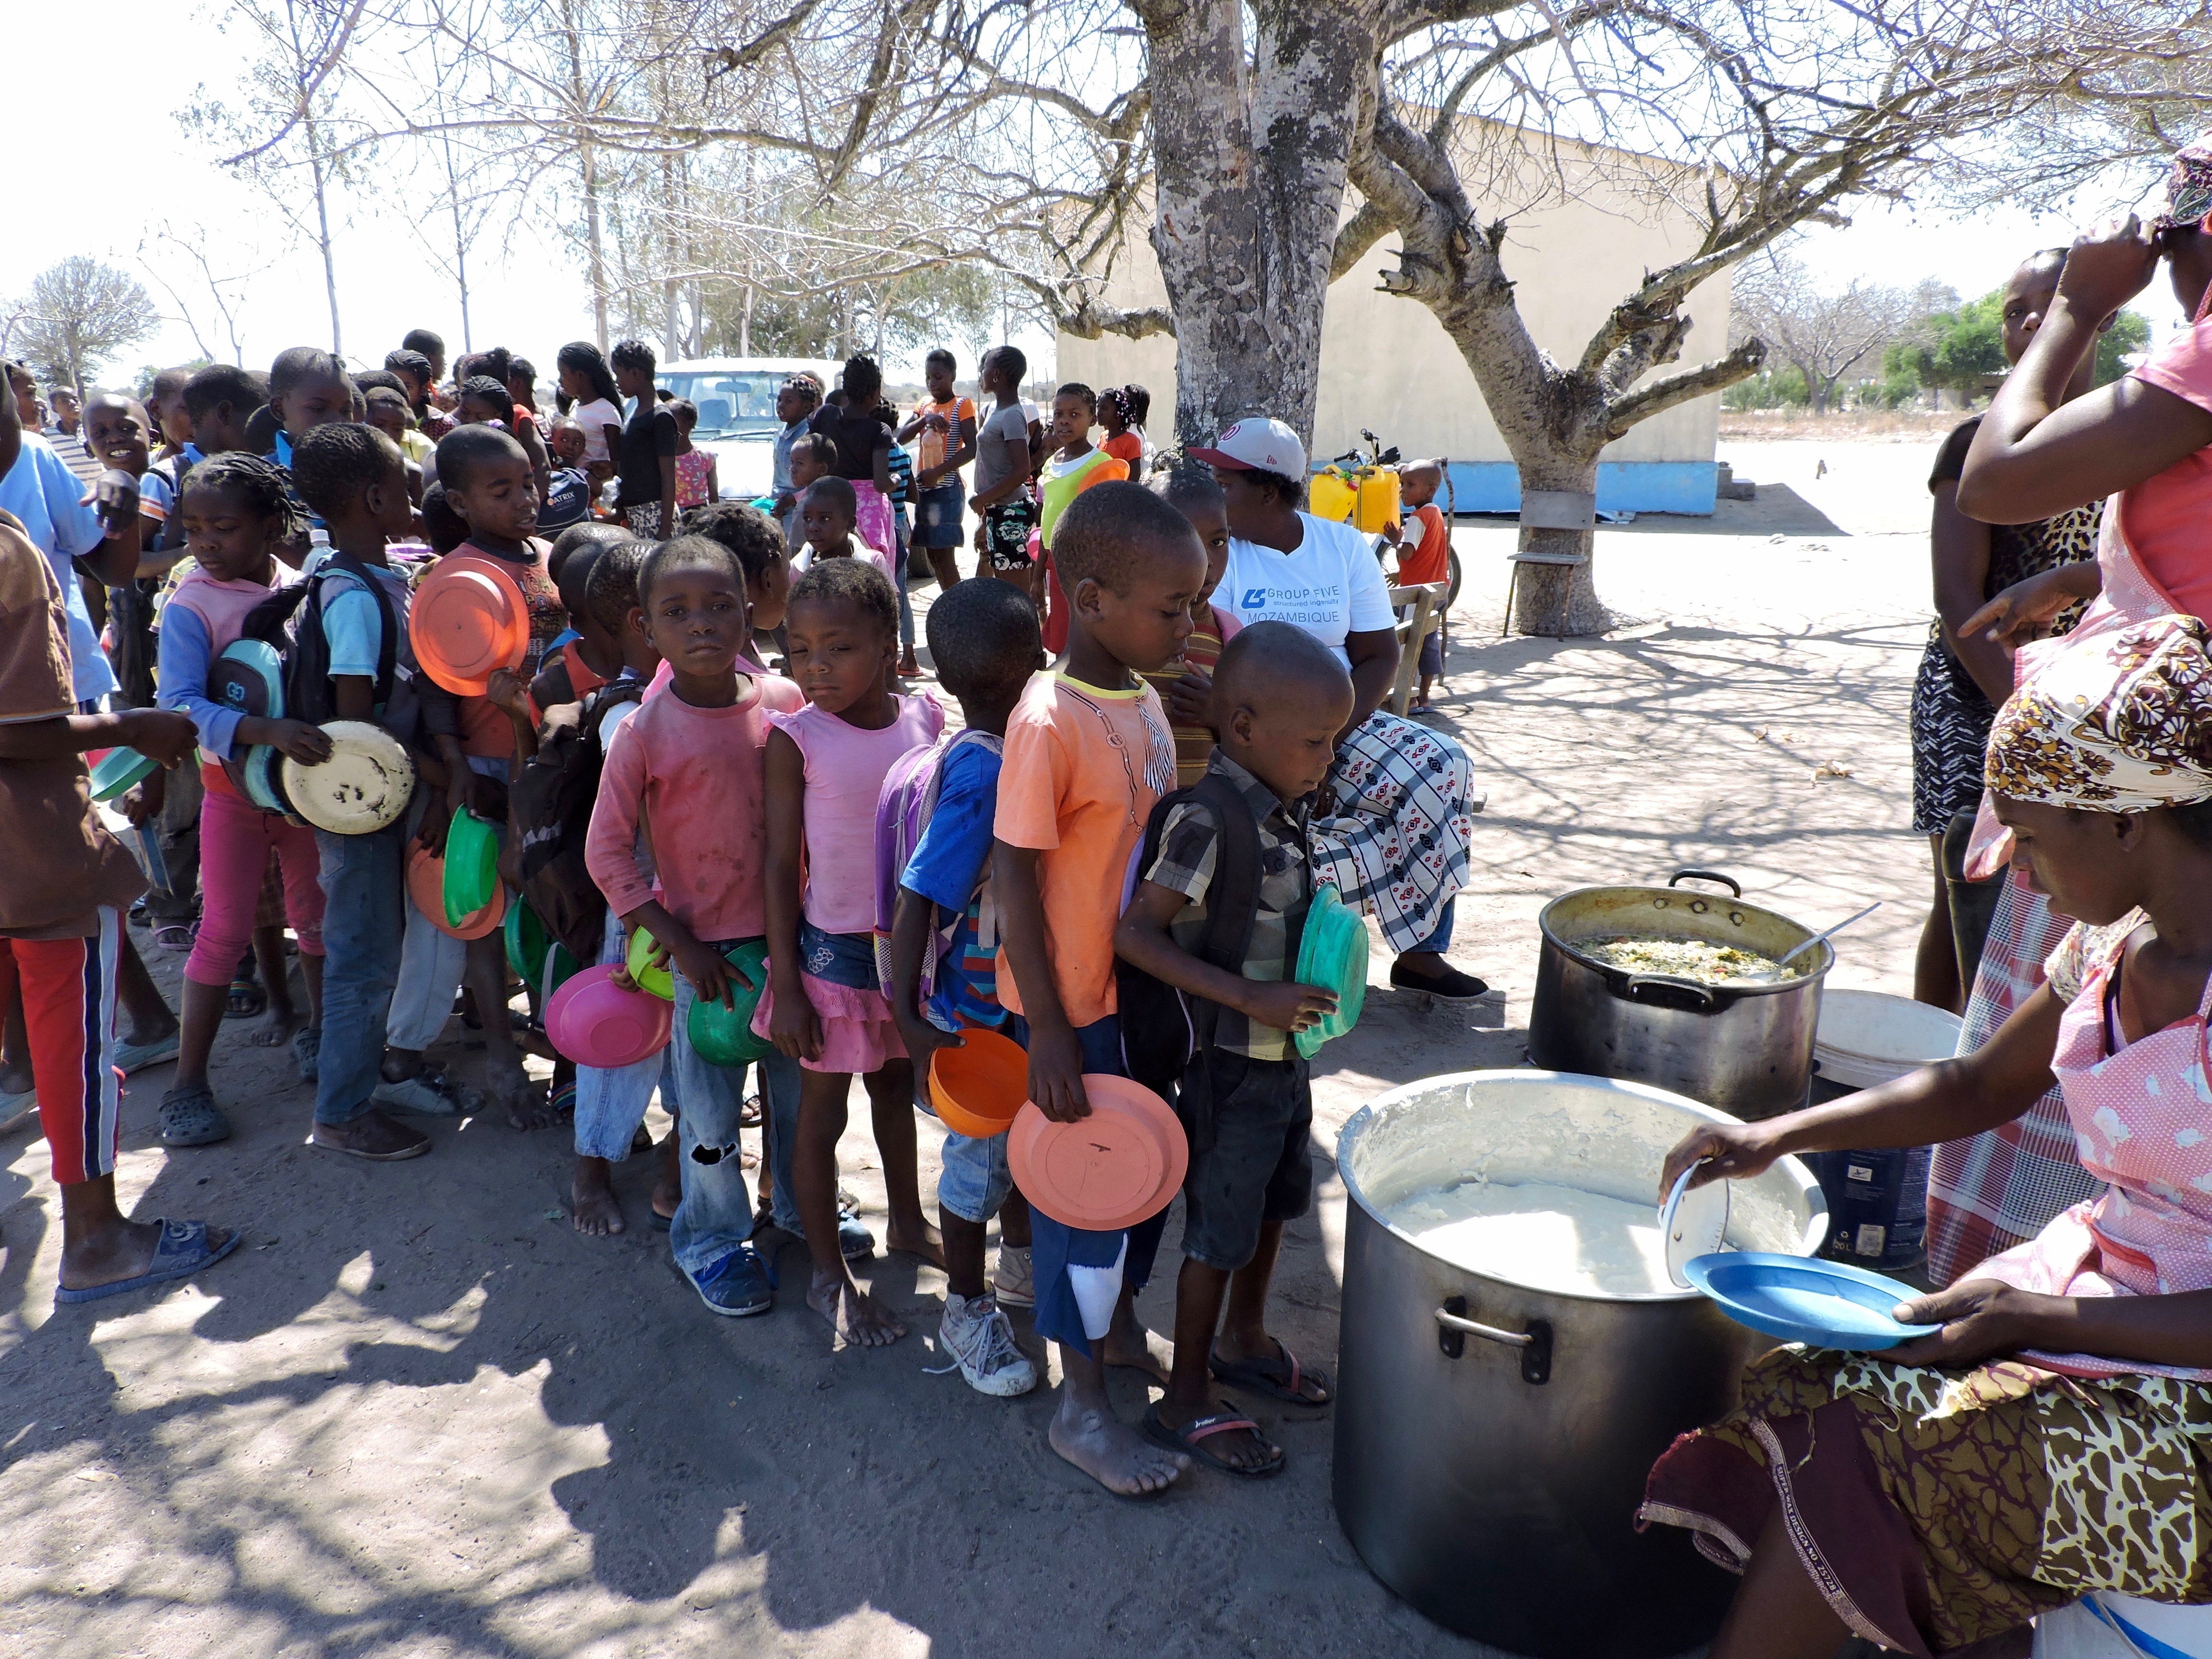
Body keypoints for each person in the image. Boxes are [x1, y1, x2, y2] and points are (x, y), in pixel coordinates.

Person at [1646, 610, 2212, 1659]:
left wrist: (2041, 1319)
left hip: (2191, 1413)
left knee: (1892, 1453)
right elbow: (1980, 1084)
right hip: (2098, 1304)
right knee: (1814, 1385)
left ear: (2132, 823)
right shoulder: (2116, 945)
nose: (2023, 877)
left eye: (2035, 840)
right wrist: (1775, 1134)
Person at [1936, 150, 2212, 1286]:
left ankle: (2069, 1308)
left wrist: (2081, 304)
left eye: (2164, 231)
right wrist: (2099, 595)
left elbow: (1994, 477)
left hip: (2140, 782)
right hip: (2144, 784)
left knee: (2064, 1111)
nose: (2160, 266)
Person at [991, 479, 1203, 1495]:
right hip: (1073, 1010)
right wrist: (1046, 1031)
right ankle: (1080, 1411)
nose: (1190, 623)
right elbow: (1014, 880)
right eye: (1173, 608)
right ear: (1092, 596)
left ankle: (1114, 1339)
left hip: (1142, 1002)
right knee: (1087, 1209)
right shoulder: (1048, 720)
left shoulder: (1144, 697)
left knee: (1140, 1184)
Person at [1116, 621, 1349, 1475]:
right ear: (1243, 729)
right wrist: (1252, 996)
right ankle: (1182, 1400)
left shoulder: (1283, 805)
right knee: (1217, 1227)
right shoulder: (1205, 821)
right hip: (1227, 1066)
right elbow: (1138, 936)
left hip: (1284, 1061)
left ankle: (1243, 1341)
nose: (1327, 757)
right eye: (1316, 741)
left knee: (1274, 1204)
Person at [0, 453, 233, 1302]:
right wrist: (132, 722)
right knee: (75, 1044)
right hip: (33, 845)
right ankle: (96, 1235)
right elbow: (18, 725)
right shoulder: (8, 553)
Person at [586, 534, 805, 1313]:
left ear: (748, 614)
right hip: (703, 962)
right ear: (647, 629)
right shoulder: (646, 730)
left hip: (792, 953)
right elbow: (607, 854)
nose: (702, 623)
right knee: (709, 1116)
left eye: (719, 606)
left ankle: (799, 1215)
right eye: (677, 612)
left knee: (797, 1099)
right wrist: (678, 944)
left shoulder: (782, 704)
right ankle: (710, 1240)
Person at [1196, 416, 1486, 1002]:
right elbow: (1216, 671)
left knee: (1445, 764)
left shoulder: (1341, 547)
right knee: (1293, 816)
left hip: (1345, 716)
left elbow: (1378, 656)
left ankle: (1422, 952)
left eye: (1225, 482)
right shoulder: (1222, 555)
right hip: (1254, 731)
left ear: (1270, 490)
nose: (1213, 492)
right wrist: (1298, 751)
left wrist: (1326, 743)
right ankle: (1296, 954)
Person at [1910, 253, 2104, 1016]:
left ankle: (2004, 1074)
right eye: (2012, 311)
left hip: (2090, 702)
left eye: (2043, 306)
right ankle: (1927, 1057)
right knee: (1965, 880)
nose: (2026, 324)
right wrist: (2027, 717)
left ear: (2099, 312)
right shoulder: (1976, 443)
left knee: (2056, 900)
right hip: (1974, 690)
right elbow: (1957, 595)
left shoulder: (2133, 433)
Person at [757, 558, 946, 1343]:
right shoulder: (794, 738)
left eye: (835, 647)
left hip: (906, 949)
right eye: (799, 650)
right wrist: (789, 986)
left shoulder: (925, 719)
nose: (814, 666)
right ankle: (828, 1274)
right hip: (831, 955)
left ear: (887, 643)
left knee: (898, 1091)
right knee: (819, 1117)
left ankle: (906, 1219)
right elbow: (776, 866)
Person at [888, 578, 1046, 1391]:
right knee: (978, 1163)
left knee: (1020, 1151)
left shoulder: (1013, 749)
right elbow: (921, 894)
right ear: (1039, 662)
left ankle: (1017, 1268)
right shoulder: (984, 774)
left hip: (1012, 1004)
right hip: (976, 1015)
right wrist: (908, 1021)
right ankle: (964, 1308)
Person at [287, 422, 461, 1162]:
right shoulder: (352, 594)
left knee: (377, 947)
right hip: (359, 800)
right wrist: (432, 769)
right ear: (375, 495)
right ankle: (342, 1111)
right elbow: (356, 721)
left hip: (376, 797)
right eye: (404, 476)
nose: (416, 487)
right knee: (363, 957)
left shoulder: (372, 574)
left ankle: (360, 1083)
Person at [149, 453, 330, 1146]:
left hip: (299, 797)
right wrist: (264, 730)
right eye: (194, 530)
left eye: (222, 527)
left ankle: (316, 1034)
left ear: (270, 526)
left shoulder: (298, 587)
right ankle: (188, 1087)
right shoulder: (193, 605)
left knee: (313, 918)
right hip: (233, 796)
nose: (206, 543)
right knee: (222, 932)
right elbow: (179, 706)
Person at [424, 424, 558, 1129]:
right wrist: (454, 770)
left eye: (528, 484)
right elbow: (435, 687)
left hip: (550, 758)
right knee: (485, 914)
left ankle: (560, 1039)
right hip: (484, 763)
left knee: (548, 909)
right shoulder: (456, 578)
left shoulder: (548, 556)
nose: (524, 500)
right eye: (501, 491)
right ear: (461, 501)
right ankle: (503, 1058)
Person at [558, 539, 675, 1235]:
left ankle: (677, 1164)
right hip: (639, 906)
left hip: (699, 903)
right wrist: (640, 916)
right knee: (620, 1042)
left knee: (691, 1041)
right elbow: (632, 824)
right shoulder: (624, 712)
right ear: (642, 621)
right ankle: (592, 1168)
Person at [1141, 464, 1241, 786]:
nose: (1207, 560)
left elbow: (1257, 743)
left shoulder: (1232, 638)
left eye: (1218, 543)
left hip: (1201, 824)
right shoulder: (1126, 633)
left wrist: (1219, 716)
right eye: (1187, 540)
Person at [1035, 382, 1130, 655]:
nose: (1064, 421)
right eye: (1058, 414)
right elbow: (1047, 522)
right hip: (1055, 563)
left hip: (1084, 566)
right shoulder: (1052, 463)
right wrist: (1038, 572)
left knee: (1085, 636)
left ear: (1092, 419)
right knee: (1062, 636)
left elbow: (1110, 523)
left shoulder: (1101, 463)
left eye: (1075, 415)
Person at [805, 356, 897, 557]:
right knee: (876, 570)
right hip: (869, 515)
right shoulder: (880, 431)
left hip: (829, 508)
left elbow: (807, 450)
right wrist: (896, 480)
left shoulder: (826, 415)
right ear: (875, 394)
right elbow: (881, 484)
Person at [898, 349, 974, 591]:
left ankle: (957, 608)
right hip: (925, 489)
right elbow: (901, 437)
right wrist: (924, 420)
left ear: (952, 376)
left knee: (945, 557)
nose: (933, 383)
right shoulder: (924, 406)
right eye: (929, 377)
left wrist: (938, 472)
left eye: (939, 377)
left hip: (946, 489)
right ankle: (948, 606)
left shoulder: (962, 405)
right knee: (932, 556)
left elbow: (971, 448)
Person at [968, 346, 1038, 601]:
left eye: (984, 368)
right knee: (1003, 591)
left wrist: (982, 498)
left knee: (1016, 596)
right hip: (998, 510)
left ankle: (1029, 641)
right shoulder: (994, 411)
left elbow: (1021, 470)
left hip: (1011, 512)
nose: (982, 374)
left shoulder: (1011, 416)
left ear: (996, 374)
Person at [1390, 460, 1453, 712]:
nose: (1403, 490)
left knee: (1409, 644)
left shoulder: (1417, 517)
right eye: (1402, 484)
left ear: (1430, 489)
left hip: (1418, 594)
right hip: (1438, 589)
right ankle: (1425, 697)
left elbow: (1406, 553)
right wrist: (1401, 574)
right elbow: (1425, 554)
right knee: (1428, 643)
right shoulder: (1435, 513)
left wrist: (1396, 539)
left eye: (1410, 485)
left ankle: (1411, 698)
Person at [610, 339, 677, 538]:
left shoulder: (660, 417)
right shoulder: (636, 413)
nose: (617, 381)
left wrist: (664, 529)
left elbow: (668, 477)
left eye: (618, 375)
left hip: (655, 516)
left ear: (636, 373)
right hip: (636, 516)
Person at [792, 476, 893, 585]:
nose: (812, 527)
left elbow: (888, 601)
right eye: (807, 519)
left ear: (850, 524)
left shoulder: (874, 563)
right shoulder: (797, 569)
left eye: (825, 518)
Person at [45, 386, 101, 488]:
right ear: (54, 408)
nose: (72, 403)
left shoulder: (95, 430)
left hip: (99, 493)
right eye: (64, 401)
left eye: (76, 399)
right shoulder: (47, 436)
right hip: (70, 496)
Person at [668, 399, 718, 511]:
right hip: (670, 515)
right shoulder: (661, 458)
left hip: (697, 518)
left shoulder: (705, 458)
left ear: (689, 425)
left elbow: (714, 498)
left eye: (672, 421)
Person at [1097, 385, 1150, 475]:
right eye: (1098, 407)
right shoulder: (1103, 437)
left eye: (1104, 408)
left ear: (1119, 413)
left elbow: (1134, 477)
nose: (1099, 412)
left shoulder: (1132, 441)